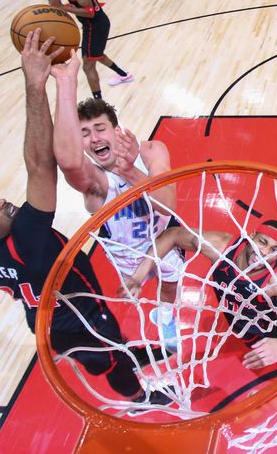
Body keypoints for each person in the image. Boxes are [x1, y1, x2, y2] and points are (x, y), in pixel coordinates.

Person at [0, 30, 170, 408]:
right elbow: (42, 164)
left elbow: (167, 206)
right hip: (77, 320)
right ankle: (141, 396)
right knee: (111, 364)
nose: (0, 203)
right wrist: (38, 85)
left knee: (110, 344)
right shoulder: (26, 240)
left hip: (49, 316)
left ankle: (120, 352)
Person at [122, 219, 277, 433]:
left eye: (274, 250)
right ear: (250, 236)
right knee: (264, 354)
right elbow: (172, 234)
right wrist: (138, 276)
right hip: (240, 322)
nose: (264, 253)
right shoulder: (220, 246)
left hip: (271, 329)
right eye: (262, 242)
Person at [51, 76, 181, 351]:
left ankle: (165, 316)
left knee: (170, 286)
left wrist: (130, 171)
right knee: (137, 288)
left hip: (165, 237)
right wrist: (65, 83)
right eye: (84, 133)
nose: (94, 138)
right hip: (126, 251)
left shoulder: (150, 151)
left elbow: (168, 205)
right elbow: (67, 162)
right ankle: (158, 306)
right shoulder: (93, 181)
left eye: (100, 129)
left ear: (116, 130)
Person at [48, 0, 134, 99]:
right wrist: (65, 7)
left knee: (88, 66)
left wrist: (62, 7)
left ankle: (99, 104)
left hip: (94, 25)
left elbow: (89, 12)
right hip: (98, 23)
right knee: (97, 54)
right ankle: (124, 75)